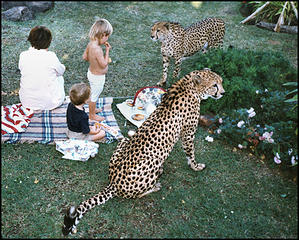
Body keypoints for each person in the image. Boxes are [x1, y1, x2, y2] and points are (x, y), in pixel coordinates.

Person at [18, 26, 65, 110]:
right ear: (49, 42)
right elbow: (61, 71)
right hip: (51, 103)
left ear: (30, 40)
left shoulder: (23, 55)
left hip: (26, 102)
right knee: (60, 77)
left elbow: (22, 69)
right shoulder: (51, 56)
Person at [83, 18, 113, 121]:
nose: (107, 39)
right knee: (94, 96)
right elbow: (104, 64)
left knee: (93, 93)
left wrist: (93, 59)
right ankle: (92, 115)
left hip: (91, 73)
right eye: (107, 36)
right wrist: (107, 51)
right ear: (103, 34)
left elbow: (85, 57)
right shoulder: (98, 50)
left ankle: (93, 109)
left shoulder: (90, 44)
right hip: (97, 77)